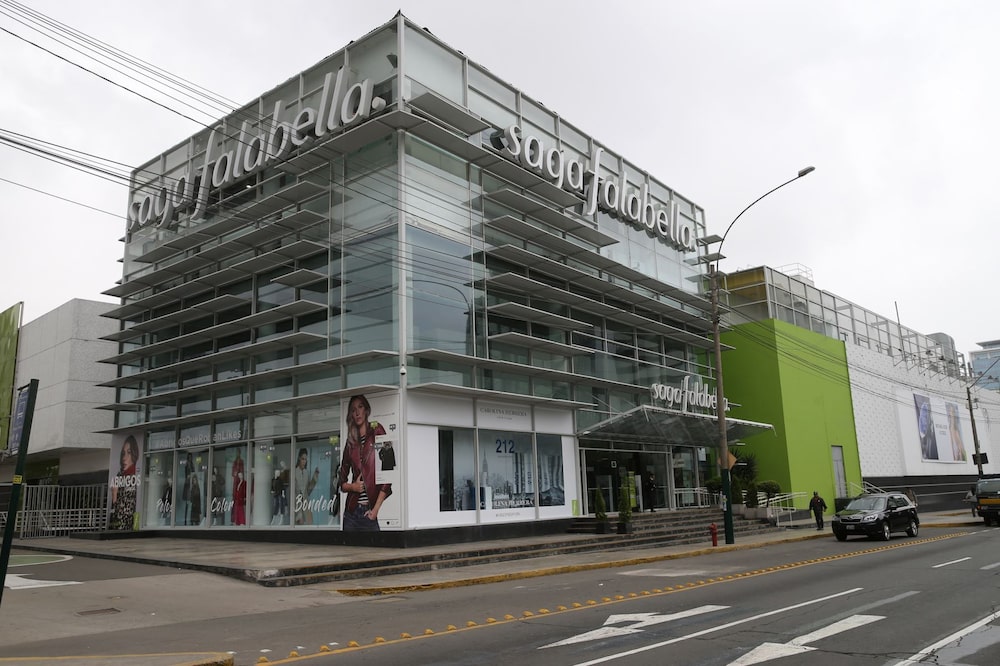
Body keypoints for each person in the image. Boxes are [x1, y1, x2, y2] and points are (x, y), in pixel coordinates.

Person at [338, 394, 389, 531]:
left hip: (369, 513)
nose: (357, 412)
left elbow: (389, 471)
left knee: (376, 552)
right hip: (351, 514)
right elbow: (341, 482)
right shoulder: (350, 443)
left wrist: (375, 510)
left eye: (360, 407)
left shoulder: (377, 429)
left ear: (366, 410)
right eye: (353, 410)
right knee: (348, 553)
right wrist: (353, 487)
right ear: (351, 415)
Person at [110, 435, 140, 530]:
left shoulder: (134, 477)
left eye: (129, 453)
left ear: (134, 455)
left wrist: (115, 495)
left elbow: (123, 513)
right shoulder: (120, 476)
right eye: (123, 453)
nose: (124, 457)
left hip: (126, 526)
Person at [294, 447, 320, 525]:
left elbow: (308, 490)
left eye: (305, 459)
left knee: (309, 523)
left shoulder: (306, 472)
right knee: (299, 524)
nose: (304, 461)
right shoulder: (294, 472)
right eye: (302, 459)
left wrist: (315, 476)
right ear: (299, 458)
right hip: (296, 503)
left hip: (305, 503)